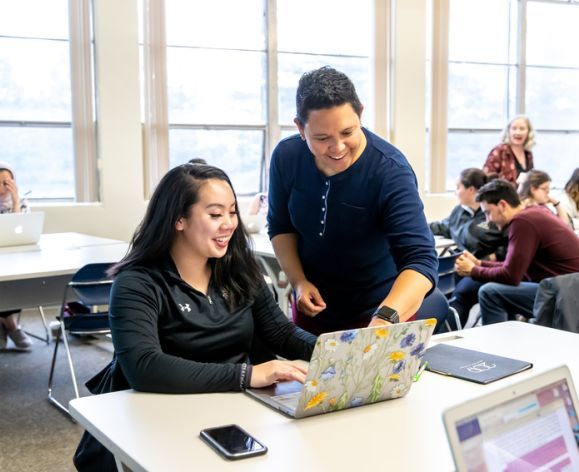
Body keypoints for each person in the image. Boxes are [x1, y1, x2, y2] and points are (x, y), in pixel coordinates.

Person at [74, 163, 316, 471]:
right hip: (159, 418)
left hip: (232, 409)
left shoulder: (240, 269)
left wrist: (336, 351)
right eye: (215, 215)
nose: (229, 223)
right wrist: (248, 375)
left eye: (232, 212)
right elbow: (144, 367)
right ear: (178, 219)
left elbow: (281, 333)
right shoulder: (137, 282)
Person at [267, 66, 438, 336]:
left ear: (360, 114)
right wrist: (299, 281)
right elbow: (280, 226)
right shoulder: (287, 157)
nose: (337, 148)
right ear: (300, 128)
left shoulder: (390, 171)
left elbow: (420, 260)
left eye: (348, 132)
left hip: (382, 313)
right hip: (314, 313)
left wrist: (384, 319)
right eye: (322, 138)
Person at [455, 179, 579, 325]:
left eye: (488, 213)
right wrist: (480, 263)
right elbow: (512, 266)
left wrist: (474, 270)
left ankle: (495, 347)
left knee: (490, 292)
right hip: (566, 288)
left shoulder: (523, 222)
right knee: (501, 290)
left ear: (502, 205)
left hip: (567, 294)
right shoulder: (532, 213)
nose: (488, 221)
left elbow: (511, 276)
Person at [429, 168, 506, 259]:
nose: (455, 192)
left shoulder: (493, 213)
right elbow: (442, 227)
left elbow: (508, 244)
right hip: (461, 265)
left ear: (471, 189)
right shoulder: (458, 212)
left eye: (458, 187)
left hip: (487, 268)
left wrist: (489, 259)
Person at [0, 162, 33, 350]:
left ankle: (5, 324)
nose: (3, 187)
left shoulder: (21, 202)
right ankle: (12, 326)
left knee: (18, 276)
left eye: (7, 182)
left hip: (15, 257)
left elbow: (21, 230)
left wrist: (15, 200)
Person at [483, 115, 535, 185]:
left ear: (528, 132)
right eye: (514, 128)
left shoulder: (528, 154)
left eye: (522, 129)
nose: (518, 132)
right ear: (508, 131)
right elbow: (486, 179)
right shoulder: (500, 151)